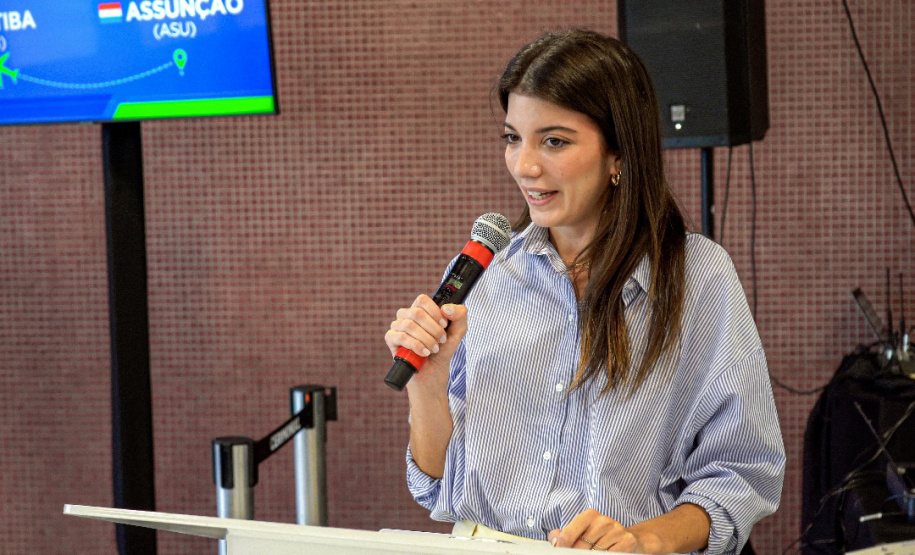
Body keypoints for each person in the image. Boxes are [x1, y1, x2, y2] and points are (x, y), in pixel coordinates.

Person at [384, 29, 785, 554]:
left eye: (554, 141)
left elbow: (744, 475)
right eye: (513, 138)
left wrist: (643, 539)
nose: (525, 165)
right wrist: (427, 386)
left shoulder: (698, 277)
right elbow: (434, 483)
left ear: (618, 152)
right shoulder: (486, 275)